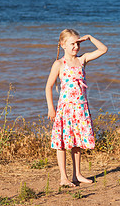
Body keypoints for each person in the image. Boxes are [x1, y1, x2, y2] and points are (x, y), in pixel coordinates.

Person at [45, 28, 108, 187]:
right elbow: (48, 86)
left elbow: (103, 49)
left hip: (81, 109)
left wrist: (89, 37)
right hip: (65, 110)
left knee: (77, 142)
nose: (76, 47)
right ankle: (63, 178)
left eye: (78, 43)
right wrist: (50, 108)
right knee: (62, 143)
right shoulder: (59, 64)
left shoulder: (82, 60)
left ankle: (77, 175)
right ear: (63, 44)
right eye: (72, 44)